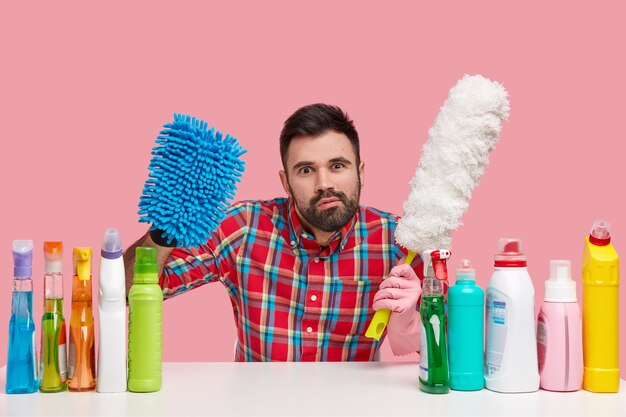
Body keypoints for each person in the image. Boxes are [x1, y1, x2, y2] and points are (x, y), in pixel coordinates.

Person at [123, 103, 422, 362]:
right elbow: (128, 291)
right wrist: (166, 226)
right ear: (286, 181)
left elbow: (453, 347)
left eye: (337, 166)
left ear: (360, 172)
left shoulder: (398, 241)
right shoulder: (242, 227)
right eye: (306, 170)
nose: (324, 183)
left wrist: (415, 323)